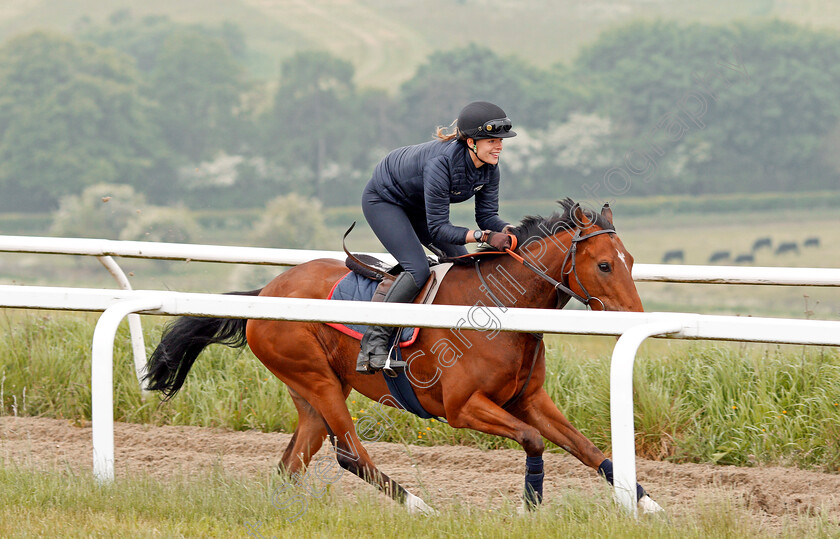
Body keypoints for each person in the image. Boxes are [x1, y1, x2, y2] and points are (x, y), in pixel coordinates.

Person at [356, 101, 518, 374]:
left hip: (418, 203)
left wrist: (511, 231)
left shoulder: (491, 167)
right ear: (470, 142)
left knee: (461, 261)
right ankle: (374, 342)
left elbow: (488, 216)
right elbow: (440, 229)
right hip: (385, 201)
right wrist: (484, 236)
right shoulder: (440, 164)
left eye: (500, 140)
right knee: (417, 269)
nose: (499, 146)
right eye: (492, 140)